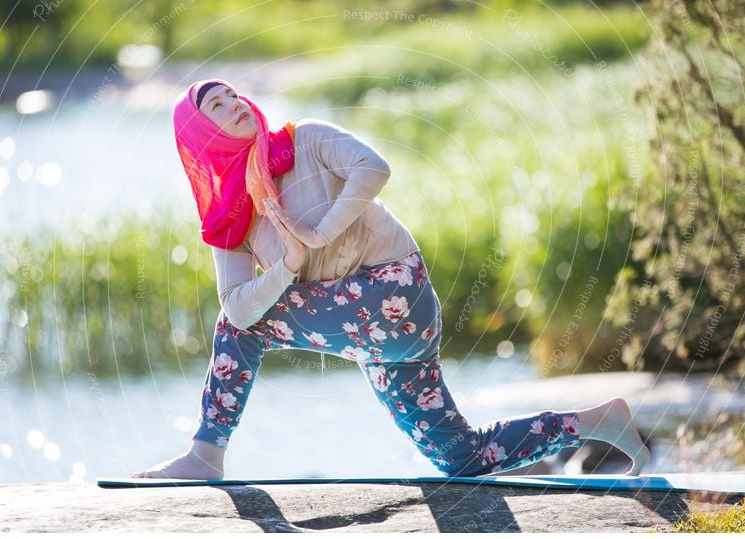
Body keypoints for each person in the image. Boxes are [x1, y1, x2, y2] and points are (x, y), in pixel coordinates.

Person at [129, 79, 650, 480]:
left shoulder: (304, 139)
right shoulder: (228, 219)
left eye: (231, 94)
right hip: (375, 340)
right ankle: (597, 422)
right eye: (215, 107)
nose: (234, 103)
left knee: (242, 326)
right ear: (201, 137)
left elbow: (373, 166)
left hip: (394, 292)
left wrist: (319, 231)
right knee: (461, 458)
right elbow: (239, 306)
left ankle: (205, 454)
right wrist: (288, 263)